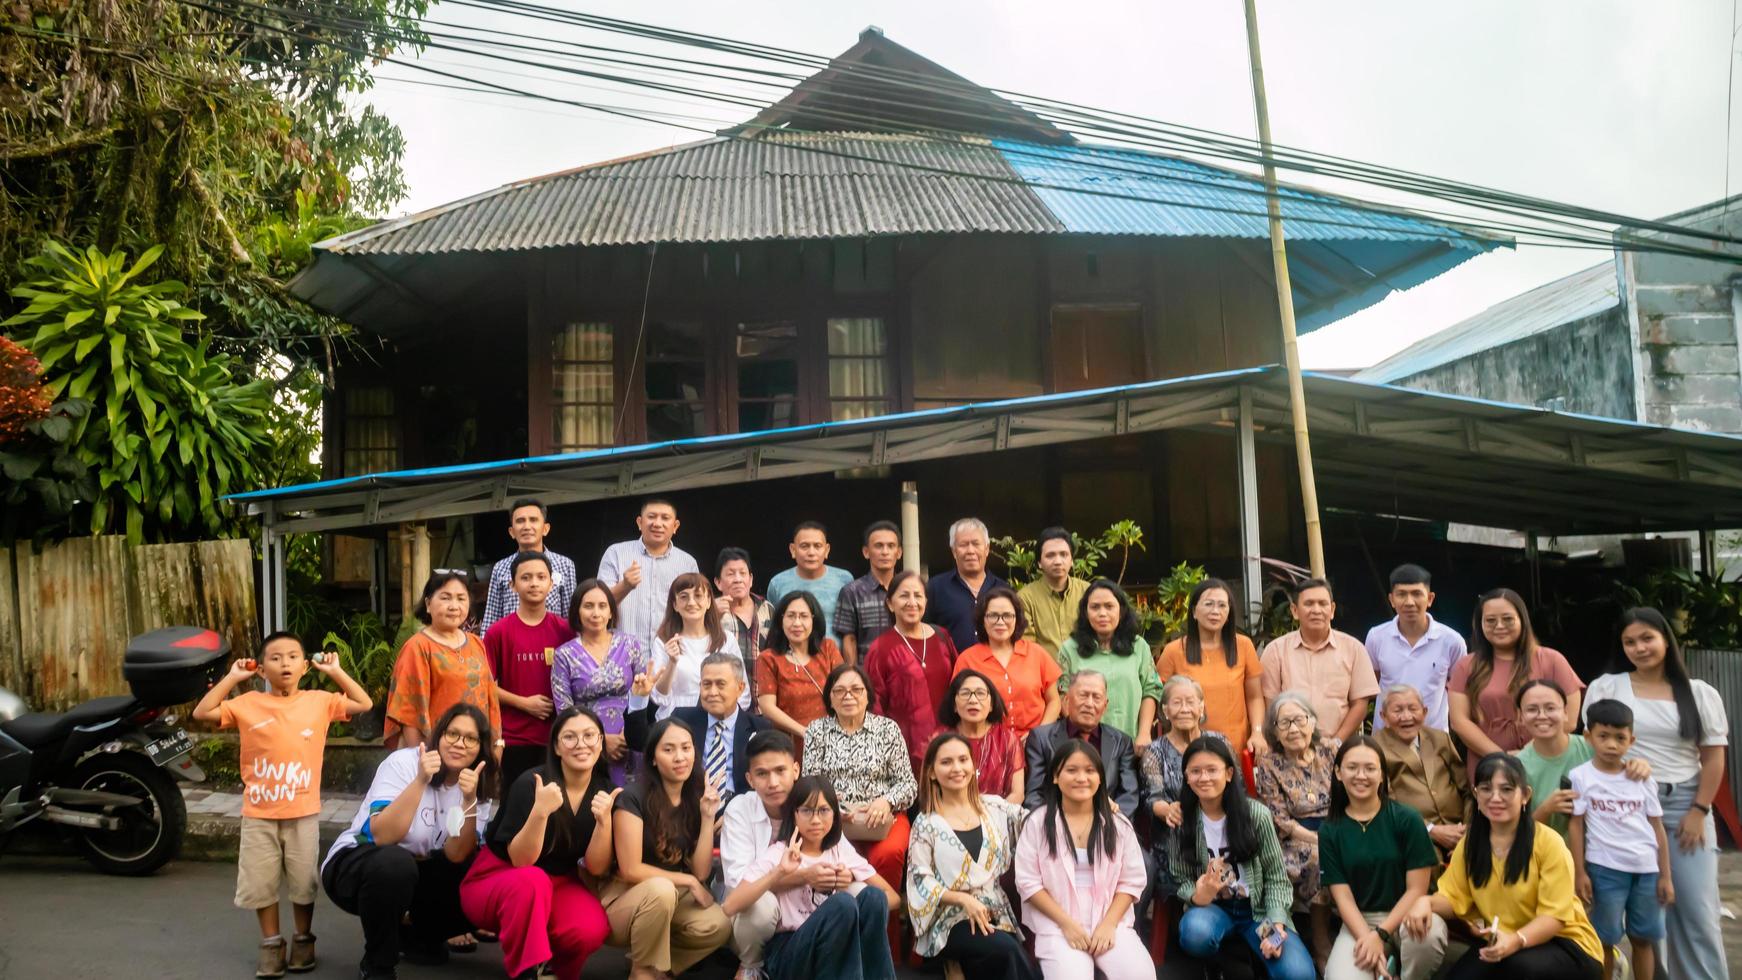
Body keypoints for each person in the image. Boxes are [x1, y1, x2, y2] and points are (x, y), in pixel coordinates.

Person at [192, 632, 372, 979]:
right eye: (275, 658)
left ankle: (303, 939)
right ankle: (271, 944)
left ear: (305, 666)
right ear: (261, 669)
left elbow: (363, 703)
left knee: (303, 882)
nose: (284, 663)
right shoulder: (247, 705)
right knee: (262, 882)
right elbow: (202, 711)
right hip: (258, 814)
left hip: (303, 813)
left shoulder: (320, 701)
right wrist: (232, 677)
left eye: (292, 657)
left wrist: (335, 671)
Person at [1583, 607, 1729, 980]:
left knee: (1696, 909)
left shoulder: (1698, 693)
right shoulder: (1606, 687)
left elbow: (1713, 759)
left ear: (1666, 639)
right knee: (1648, 916)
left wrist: (1700, 809)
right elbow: (1596, 747)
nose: (1639, 648)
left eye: (1647, 638)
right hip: (1624, 810)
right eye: (1629, 642)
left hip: (1685, 804)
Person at [322, 704, 499, 979]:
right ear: (439, 735)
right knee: (396, 864)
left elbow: (456, 855)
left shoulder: (477, 782)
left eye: (471, 738)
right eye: (452, 734)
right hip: (360, 863)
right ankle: (378, 964)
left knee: (479, 870)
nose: (459, 744)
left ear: (481, 747)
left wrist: (468, 801)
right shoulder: (404, 762)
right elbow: (383, 835)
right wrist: (420, 781)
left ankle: (418, 935)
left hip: (419, 871)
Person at [1408, 753, 1603, 980]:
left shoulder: (1549, 843)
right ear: (1476, 794)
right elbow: (1453, 898)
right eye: (1486, 789)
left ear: (1525, 795)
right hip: (1503, 942)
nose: (1495, 797)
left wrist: (1516, 940)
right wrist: (1425, 901)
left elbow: (1554, 918)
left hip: (1565, 943)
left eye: (1507, 789)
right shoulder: (1470, 845)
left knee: (1518, 970)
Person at [460, 707, 616, 980]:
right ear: (556, 746)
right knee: (533, 880)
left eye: (590, 735)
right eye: (570, 737)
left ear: (601, 742)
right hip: (498, 878)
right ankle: (526, 970)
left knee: (590, 928)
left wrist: (604, 823)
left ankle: (555, 970)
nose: (581, 744)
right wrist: (540, 812)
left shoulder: (603, 790)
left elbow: (596, 867)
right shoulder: (531, 783)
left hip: (559, 883)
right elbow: (521, 861)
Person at [724, 774, 902, 980]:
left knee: (873, 897)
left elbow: (893, 899)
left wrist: (848, 881)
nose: (816, 820)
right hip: (790, 951)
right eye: (807, 810)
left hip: (835, 950)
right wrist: (781, 872)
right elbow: (730, 906)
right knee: (842, 904)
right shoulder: (780, 852)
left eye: (824, 810)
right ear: (794, 814)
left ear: (835, 815)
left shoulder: (840, 852)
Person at [1173, 736, 1315, 980]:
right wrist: (1198, 895)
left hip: (1257, 912)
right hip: (1213, 909)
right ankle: (1223, 957)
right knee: (1196, 933)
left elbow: (1275, 878)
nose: (1204, 778)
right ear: (1186, 776)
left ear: (1228, 774)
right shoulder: (1182, 819)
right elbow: (1179, 877)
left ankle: (1246, 950)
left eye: (1211, 770)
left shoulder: (1255, 815)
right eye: (1195, 771)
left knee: (1298, 974)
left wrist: (1277, 926)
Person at [603, 717, 732, 980]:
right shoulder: (633, 797)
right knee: (661, 891)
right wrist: (689, 881)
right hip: (626, 896)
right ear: (652, 758)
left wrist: (707, 817)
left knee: (719, 925)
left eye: (686, 748)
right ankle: (642, 971)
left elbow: (701, 872)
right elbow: (630, 869)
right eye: (668, 749)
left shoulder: (695, 796)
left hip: (672, 895)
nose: (679, 757)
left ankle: (658, 970)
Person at [1015, 739, 1154, 980]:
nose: (1081, 778)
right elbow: (1028, 883)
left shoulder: (1118, 825)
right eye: (1072, 770)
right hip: (1058, 925)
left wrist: (1109, 924)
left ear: (1100, 778)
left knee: (1140, 975)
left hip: (1110, 924)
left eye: (1090, 770)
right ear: (1056, 777)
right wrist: (1067, 925)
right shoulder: (1037, 823)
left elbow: (1131, 881)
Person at [907, 733, 1038, 980]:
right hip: (949, 921)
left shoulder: (994, 807)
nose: (957, 768)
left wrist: (1091, 805)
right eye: (946, 762)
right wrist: (962, 900)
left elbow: (1037, 824)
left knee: (998, 964)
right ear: (932, 772)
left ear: (972, 765)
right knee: (1007, 953)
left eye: (963, 760)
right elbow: (920, 881)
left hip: (995, 914)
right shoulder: (926, 823)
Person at [1319, 735, 1447, 980]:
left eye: (1370, 768)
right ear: (1337, 772)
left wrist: (1381, 935)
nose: (1361, 776)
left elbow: (1417, 890)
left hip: (1408, 912)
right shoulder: (1330, 830)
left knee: (1427, 939)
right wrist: (1368, 940)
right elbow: (1343, 897)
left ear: (1382, 775)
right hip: (1360, 920)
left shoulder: (1406, 818)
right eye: (1352, 767)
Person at [1567, 699, 1672, 980]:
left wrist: (1666, 876)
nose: (1612, 744)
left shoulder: (1643, 779)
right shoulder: (1580, 777)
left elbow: (1657, 828)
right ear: (1588, 736)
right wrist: (1580, 872)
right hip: (1605, 870)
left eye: (1620, 738)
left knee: (1643, 939)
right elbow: (1576, 827)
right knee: (1604, 939)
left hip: (1647, 870)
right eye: (1603, 736)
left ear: (1631, 739)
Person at [801, 664, 918, 904]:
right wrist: (833, 810)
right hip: (832, 820)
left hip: (884, 819)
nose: (848, 696)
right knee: (835, 862)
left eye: (856, 689)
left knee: (889, 854)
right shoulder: (817, 730)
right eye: (840, 691)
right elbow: (809, 784)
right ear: (830, 699)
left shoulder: (887, 729)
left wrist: (885, 801)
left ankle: (886, 934)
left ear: (868, 696)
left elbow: (908, 784)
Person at [1449, 588, 1583, 779]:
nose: (1500, 626)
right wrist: (1501, 757)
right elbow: (1459, 722)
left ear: (1522, 620)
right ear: (1480, 624)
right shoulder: (1466, 666)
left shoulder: (1551, 660)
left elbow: (1569, 719)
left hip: (1546, 761)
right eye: (1490, 620)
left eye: (1508, 619)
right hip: (1489, 766)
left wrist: (1528, 754)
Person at [1255, 692, 1339, 961]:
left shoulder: (1332, 749)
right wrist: (1319, 839)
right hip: (1295, 839)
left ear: (1312, 722)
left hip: (1338, 827)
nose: (1293, 729)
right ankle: (1320, 937)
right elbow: (1280, 819)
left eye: (1299, 720)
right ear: (1274, 731)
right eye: (1285, 723)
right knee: (1320, 858)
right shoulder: (1269, 763)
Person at [1513, 679, 1651, 839]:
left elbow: (1626, 772)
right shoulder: (1517, 767)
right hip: (1551, 855)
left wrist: (1639, 765)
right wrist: (1546, 809)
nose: (1542, 716)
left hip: (1605, 851)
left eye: (1550, 708)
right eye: (1532, 709)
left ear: (1565, 713)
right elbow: (1517, 834)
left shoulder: (1592, 746)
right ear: (1520, 717)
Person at [484, 551, 577, 789]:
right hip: (515, 739)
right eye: (525, 578)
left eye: (540, 577)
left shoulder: (565, 630)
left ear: (551, 583)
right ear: (512, 585)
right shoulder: (498, 633)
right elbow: (483, 687)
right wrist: (524, 703)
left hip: (558, 738)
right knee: (517, 805)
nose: (534, 583)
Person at [384, 570, 503, 751]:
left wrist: (496, 746)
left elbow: (491, 699)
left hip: (474, 750)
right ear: (428, 604)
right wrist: (422, 760)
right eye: (446, 598)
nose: (454, 606)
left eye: (461, 598)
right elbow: (409, 712)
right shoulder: (418, 647)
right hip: (437, 752)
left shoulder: (476, 643)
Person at [628, 653, 771, 801]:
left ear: (740, 688)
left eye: (721, 684)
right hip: (690, 808)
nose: (712, 692)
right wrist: (639, 698)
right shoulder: (683, 719)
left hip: (741, 812)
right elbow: (640, 742)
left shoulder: (759, 729)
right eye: (707, 684)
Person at [720, 731, 802, 980]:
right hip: (752, 917)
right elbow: (740, 885)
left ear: (796, 770)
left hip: (803, 905)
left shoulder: (812, 800)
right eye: (762, 774)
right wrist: (802, 876)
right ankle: (750, 966)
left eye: (780, 770)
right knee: (760, 907)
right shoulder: (739, 809)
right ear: (750, 779)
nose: (773, 782)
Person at [551, 578, 648, 787]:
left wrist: (629, 734)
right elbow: (564, 711)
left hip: (630, 739)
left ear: (611, 611)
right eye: (588, 606)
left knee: (632, 804)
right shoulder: (564, 655)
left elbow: (644, 693)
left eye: (602, 606)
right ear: (577, 611)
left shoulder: (630, 645)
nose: (596, 613)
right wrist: (602, 741)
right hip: (585, 744)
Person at [1140, 675, 1230, 894]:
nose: (1184, 709)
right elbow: (1152, 798)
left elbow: (1237, 790)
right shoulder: (1155, 751)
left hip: (1221, 834)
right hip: (1177, 841)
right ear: (1165, 711)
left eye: (1190, 702)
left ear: (1201, 707)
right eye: (1177, 703)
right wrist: (1167, 810)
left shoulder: (1220, 742)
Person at [862, 569, 958, 776]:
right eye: (904, 595)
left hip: (950, 745)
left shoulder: (942, 636)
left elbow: (958, 687)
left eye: (918, 595)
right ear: (890, 603)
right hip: (905, 750)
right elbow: (874, 706)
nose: (912, 602)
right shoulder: (881, 648)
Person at [1259, 578, 1378, 742]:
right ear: (1294, 610)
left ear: (1332, 609)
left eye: (1323, 603)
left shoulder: (1354, 649)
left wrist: (1336, 742)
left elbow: (1360, 704)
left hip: (1339, 748)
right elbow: (1271, 705)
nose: (1316, 610)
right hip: (1290, 747)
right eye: (1308, 604)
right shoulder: (1275, 651)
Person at [1156, 578, 1266, 753]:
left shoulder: (1244, 646)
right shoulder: (1173, 651)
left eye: (1222, 605)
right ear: (1194, 611)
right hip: (1189, 752)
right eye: (1208, 604)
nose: (1215, 611)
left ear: (1229, 612)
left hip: (1235, 749)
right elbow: (1158, 700)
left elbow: (1255, 697)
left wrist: (1258, 732)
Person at [1052, 580, 1161, 746]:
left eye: (1109, 606)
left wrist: (1144, 733)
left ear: (1121, 610)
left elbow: (1151, 690)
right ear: (1085, 612)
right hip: (1085, 745)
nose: (1102, 613)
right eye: (1095, 607)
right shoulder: (1070, 649)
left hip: (1132, 742)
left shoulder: (1139, 646)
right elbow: (1062, 694)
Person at [1365, 564, 1465, 732]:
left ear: (1430, 598)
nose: (1409, 602)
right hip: (1386, 739)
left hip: (1434, 742)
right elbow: (1369, 686)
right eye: (1402, 594)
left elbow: (1460, 692)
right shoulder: (1376, 637)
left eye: (1417, 594)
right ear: (1391, 600)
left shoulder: (1452, 641)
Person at [1026, 670, 1140, 818]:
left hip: (1107, 827)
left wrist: (1109, 824)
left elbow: (1129, 796)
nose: (1089, 703)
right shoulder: (1041, 738)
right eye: (1083, 695)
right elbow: (1035, 795)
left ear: (1105, 706)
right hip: (1055, 827)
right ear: (1067, 700)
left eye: (1097, 697)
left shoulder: (1121, 742)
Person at [1372, 683, 1468, 857]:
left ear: (1424, 713)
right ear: (1383, 717)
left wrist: (1468, 832)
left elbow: (1467, 789)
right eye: (1398, 710)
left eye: (1412, 709)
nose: (1406, 716)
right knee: (1426, 858)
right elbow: (1384, 804)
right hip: (1415, 833)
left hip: (1460, 828)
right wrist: (1430, 830)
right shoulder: (1376, 749)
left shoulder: (1439, 739)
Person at [953, 587, 1061, 738]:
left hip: (1035, 745)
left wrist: (1038, 736)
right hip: (988, 745)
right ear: (982, 619)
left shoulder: (1037, 653)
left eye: (1007, 616)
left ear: (1017, 619)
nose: (1000, 622)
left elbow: (1054, 701)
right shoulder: (967, 659)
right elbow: (959, 705)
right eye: (993, 616)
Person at [600, 498, 700, 657]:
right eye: (651, 516)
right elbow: (599, 606)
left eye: (665, 518)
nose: (658, 523)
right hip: (622, 658)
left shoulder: (687, 563)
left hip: (672, 659)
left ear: (675, 526)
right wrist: (625, 585)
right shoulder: (616, 553)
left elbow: (696, 613)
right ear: (639, 522)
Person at [755, 590, 846, 757]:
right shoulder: (769, 658)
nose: (797, 623)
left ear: (814, 619)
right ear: (781, 619)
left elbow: (844, 689)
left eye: (803, 616)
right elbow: (767, 707)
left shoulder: (828, 649)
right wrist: (805, 732)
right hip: (789, 744)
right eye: (791, 616)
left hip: (832, 740)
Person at [650, 573, 746, 721]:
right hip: (675, 721)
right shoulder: (663, 641)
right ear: (675, 605)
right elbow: (658, 696)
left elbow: (742, 691)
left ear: (709, 602)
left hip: (719, 721)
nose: (691, 602)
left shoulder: (726, 640)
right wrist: (672, 662)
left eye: (698, 595)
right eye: (684, 597)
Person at [482, 498, 578, 635]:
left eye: (533, 520)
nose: (527, 526)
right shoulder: (500, 568)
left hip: (552, 648)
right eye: (520, 521)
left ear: (545, 529)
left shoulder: (565, 565)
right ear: (511, 532)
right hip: (512, 648)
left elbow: (571, 618)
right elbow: (491, 619)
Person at [936, 670, 1025, 803]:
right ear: (954, 705)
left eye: (980, 693)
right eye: (965, 693)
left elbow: (1017, 794)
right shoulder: (940, 739)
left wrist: (988, 819)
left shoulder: (1008, 740)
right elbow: (931, 792)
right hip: (949, 818)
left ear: (991, 705)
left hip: (998, 819)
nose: (973, 700)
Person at [926, 517, 1009, 653]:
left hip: (995, 670)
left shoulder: (1004, 590)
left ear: (987, 549)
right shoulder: (935, 588)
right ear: (954, 551)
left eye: (976, 544)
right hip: (951, 672)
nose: (970, 551)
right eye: (964, 545)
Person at [765, 521, 855, 645]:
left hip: (835, 661)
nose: (811, 553)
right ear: (793, 549)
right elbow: (773, 628)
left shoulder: (844, 579)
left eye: (817, 546)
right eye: (804, 546)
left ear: (827, 550)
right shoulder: (778, 583)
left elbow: (850, 630)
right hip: (791, 660)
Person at [835, 520, 903, 666]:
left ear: (899, 553)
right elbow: (849, 639)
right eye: (878, 546)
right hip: (867, 676)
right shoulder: (851, 591)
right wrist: (853, 674)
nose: (885, 552)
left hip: (903, 671)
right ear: (866, 552)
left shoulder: (907, 590)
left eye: (890, 546)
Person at [1016, 526, 1090, 658]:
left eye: (1064, 554)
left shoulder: (1088, 592)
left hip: (1087, 673)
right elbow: (1027, 647)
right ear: (1039, 562)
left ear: (1072, 560)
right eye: (1050, 555)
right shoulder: (1025, 597)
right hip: (1046, 675)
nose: (1058, 561)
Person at [714, 547, 773, 696]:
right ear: (718, 582)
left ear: (751, 579)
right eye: (730, 574)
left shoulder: (768, 609)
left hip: (766, 699)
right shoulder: (708, 612)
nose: (738, 579)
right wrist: (713, 616)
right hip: (729, 700)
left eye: (742, 573)